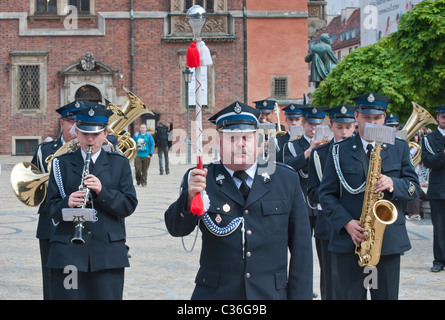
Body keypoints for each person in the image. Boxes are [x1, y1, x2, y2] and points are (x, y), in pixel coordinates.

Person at [164, 101, 313, 300]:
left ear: (259, 144)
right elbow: (177, 229)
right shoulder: (201, 178)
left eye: (246, 137)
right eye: (232, 138)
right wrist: (189, 197)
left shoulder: (285, 179)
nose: (241, 143)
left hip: (269, 294)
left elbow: (302, 251)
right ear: (218, 143)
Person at [319, 93, 420, 299]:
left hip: (387, 243)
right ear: (356, 116)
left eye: (377, 118)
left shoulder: (399, 147)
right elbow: (326, 194)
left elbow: (413, 189)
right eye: (366, 117)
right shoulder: (338, 150)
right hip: (349, 242)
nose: (372, 123)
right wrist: (347, 223)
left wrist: (394, 183)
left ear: (384, 118)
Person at [44, 104, 138, 299]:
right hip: (68, 254)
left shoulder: (119, 163)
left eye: (95, 134)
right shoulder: (60, 164)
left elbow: (128, 205)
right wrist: (66, 203)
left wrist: (102, 191)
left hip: (106, 255)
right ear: (76, 131)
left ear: (105, 133)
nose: (90, 139)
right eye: (85, 133)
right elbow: (49, 208)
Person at [31, 100, 85, 299]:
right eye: (71, 121)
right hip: (50, 223)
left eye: (79, 122)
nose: (75, 126)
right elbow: (34, 185)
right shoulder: (44, 150)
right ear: (61, 123)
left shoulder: (88, 148)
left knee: (78, 279)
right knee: (51, 280)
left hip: (81, 222)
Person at [307, 104, 356, 300]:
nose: (344, 132)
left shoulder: (363, 152)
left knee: (355, 279)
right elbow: (313, 193)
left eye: (348, 127)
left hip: (357, 222)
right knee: (330, 277)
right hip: (328, 223)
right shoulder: (319, 154)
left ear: (355, 127)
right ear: (330, 126)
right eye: (339, 127)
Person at [283, 105, 328, 233]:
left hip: (322, 203)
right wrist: (309, 151)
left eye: (318, 124)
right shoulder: (292, 146)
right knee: (303, 245)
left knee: (324, 247)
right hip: (302, 202)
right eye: (310, 123)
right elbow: (288, 167)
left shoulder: (328, 146)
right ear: (303, 123)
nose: (314, 127)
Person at [421, 105, 445, 272]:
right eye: (443, 116)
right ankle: (439, 260)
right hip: (439, 189)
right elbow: (428, 161)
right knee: (440, 227)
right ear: (438, 117)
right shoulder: (429, 139)